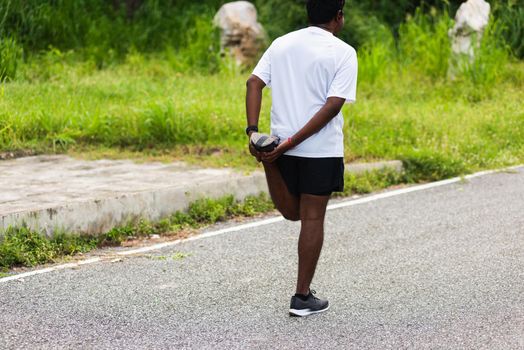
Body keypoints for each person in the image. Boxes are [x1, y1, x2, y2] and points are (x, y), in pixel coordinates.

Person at [245, 0, 357, 317]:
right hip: (320, 151)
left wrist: (253, 133)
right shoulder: (344, 52)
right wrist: (294, 141)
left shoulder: (282, 43)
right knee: (309, 218)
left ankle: (266, 157)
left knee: (292, 214)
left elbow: (254, 82)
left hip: (281, 146)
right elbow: (333, 105)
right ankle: (302, 296)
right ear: (338, 17)